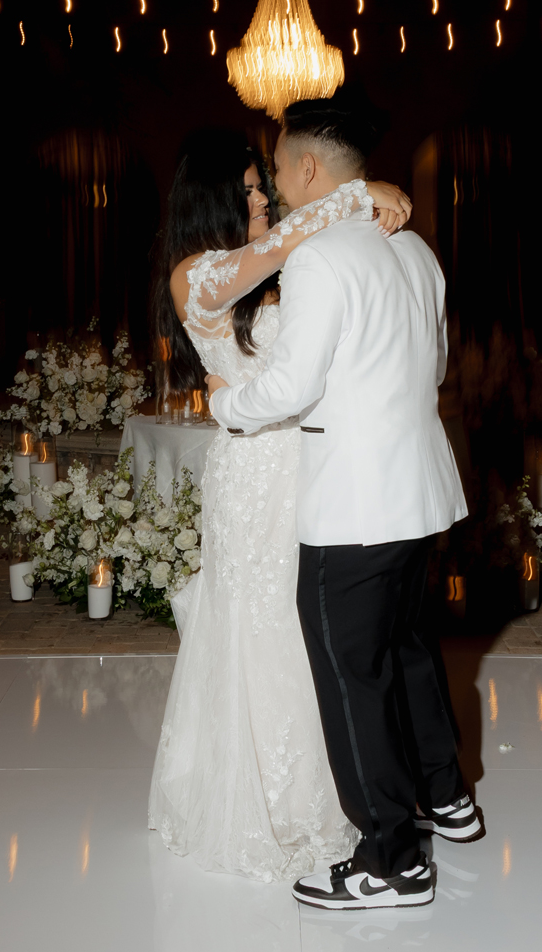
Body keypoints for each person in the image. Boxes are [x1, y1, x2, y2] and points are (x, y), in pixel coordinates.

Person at [207, 100, 476, 911]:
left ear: (311, 171)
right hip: (420, 488)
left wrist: (223, 402)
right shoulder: (418, 253)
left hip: (355, 504)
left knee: (351, 673)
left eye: (283, 168)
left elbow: (290, 388)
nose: (281, 184)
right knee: (406, 649)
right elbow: (430, 371)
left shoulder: (320, 259)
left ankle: (392, 859)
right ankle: (447, 798)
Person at [147, 127, 412, 881]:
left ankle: (340, 786)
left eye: (264, 185)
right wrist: (359, 192)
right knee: (263, 624)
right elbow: (285, 242)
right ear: (212, 202)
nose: (263, 197)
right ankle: (275, 801)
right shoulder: (196, 274)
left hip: (306, 464)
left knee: (313, 632)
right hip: (253, 475)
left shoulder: (266, 274)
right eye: (250, 188)